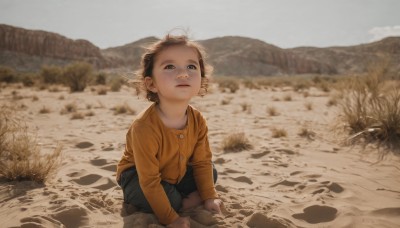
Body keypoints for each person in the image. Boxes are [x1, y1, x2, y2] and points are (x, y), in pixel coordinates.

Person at [116, 34, 222, 227]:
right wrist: (171, 218)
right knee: (166, 200)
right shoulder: (144, 127)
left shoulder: (197, 119)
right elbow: (149, 182)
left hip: (176, 172)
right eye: (170, 67)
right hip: (137, 177)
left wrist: (209, 197)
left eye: (191, 66)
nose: (183, 73)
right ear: (151, 84)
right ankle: (180, 200)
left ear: (201, 79)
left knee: (211, 171)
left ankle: (183, 196)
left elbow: (201, 161)